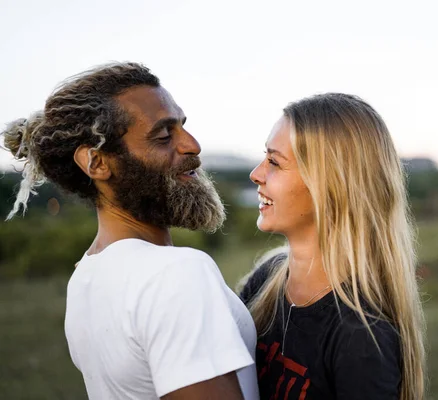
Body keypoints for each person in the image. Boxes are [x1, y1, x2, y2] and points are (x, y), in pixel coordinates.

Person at [1, 62, 259, 400]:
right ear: (97, 163)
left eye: (183, 127)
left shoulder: (86, 277)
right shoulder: (176, 273)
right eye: (165, 135)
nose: (192, 145)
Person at [239, 93, 426, 400]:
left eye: (274, 161)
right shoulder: (267, 278)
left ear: (328, 184)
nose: (256, 174)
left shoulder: (360, 337)